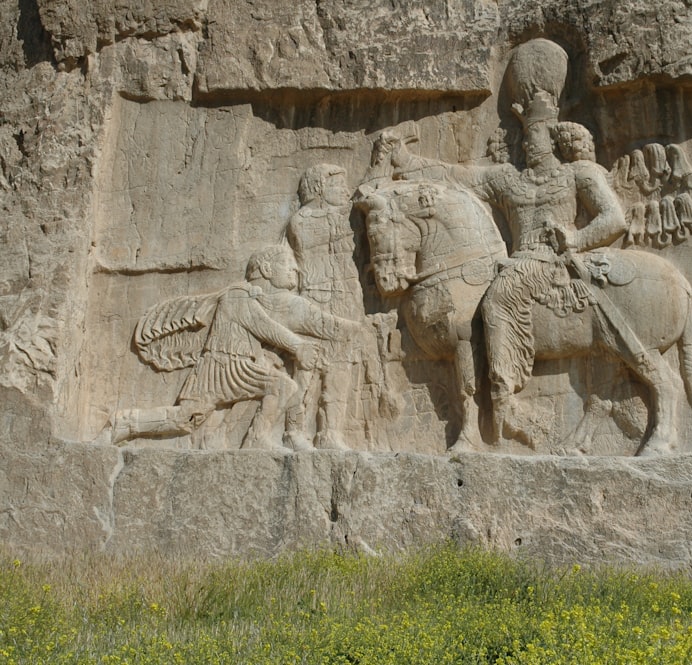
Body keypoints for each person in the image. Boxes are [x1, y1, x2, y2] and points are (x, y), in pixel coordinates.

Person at [379, 89, 627, 439]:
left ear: (554, 138)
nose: (528, 143)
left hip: (555, 262)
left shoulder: (578, 174)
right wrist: (406, 161)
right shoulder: (509, 179)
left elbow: (615, 219)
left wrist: (575, 238)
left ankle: (504, 397)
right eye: (525, 136)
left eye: (535, 135)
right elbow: (457, 176)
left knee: (497, 299)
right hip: (518, 261)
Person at [107, 245, 358, 449]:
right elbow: (263, 326)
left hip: (232, 366)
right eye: (288, 264)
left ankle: (127, 423)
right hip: (226, 367)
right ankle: (257, 438)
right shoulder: (238, 294)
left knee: (186, 417)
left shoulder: (254, 297)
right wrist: (297, 346)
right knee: (281, 387)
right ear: (267, 268)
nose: (295, 269)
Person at [283, 164, 366, 449]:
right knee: (306, 367)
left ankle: (330, 432)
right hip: (315, 299)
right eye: (337, 185)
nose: (345, 191)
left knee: (341, 367)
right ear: (319, 187)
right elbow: (328, 232)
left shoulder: (341, 215)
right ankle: (293, 430)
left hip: (346, 298)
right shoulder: (302, 220)